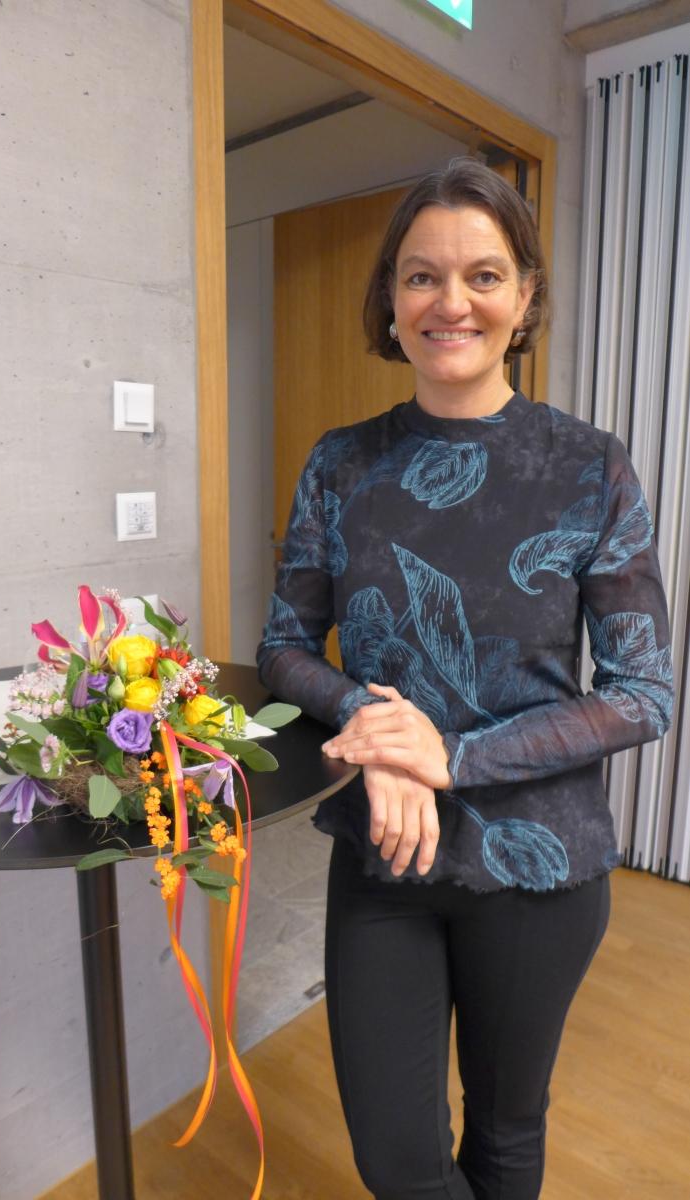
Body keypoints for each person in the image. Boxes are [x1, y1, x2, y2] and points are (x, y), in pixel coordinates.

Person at [256, 158, 673, 1200]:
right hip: (384, 855)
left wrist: (450, 756)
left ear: (524, 298)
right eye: (421, 276)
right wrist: (373, 722)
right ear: (390, 300)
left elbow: (642, 691)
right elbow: (284, 650)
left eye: (483, 276)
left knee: (504, 1134)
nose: (452, 302)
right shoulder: (339, 464)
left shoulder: (588, 465)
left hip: (539, 865)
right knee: (397, 1160)